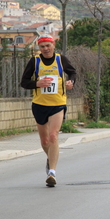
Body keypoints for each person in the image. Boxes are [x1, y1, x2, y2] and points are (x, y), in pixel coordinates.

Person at [20, 34, 76, 187]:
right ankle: (50, 157)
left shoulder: (61, 59)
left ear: (53, 46)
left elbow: (72, 72)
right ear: (39, 48)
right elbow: (24, 82)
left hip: (58, 103)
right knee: (45, 141)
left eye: (48, 46)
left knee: (53, 136)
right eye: (42, 46)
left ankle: (52, 172)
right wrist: (38, 83)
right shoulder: (35, 61)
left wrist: (71, 81)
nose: (45, 49)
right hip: (39, 104)